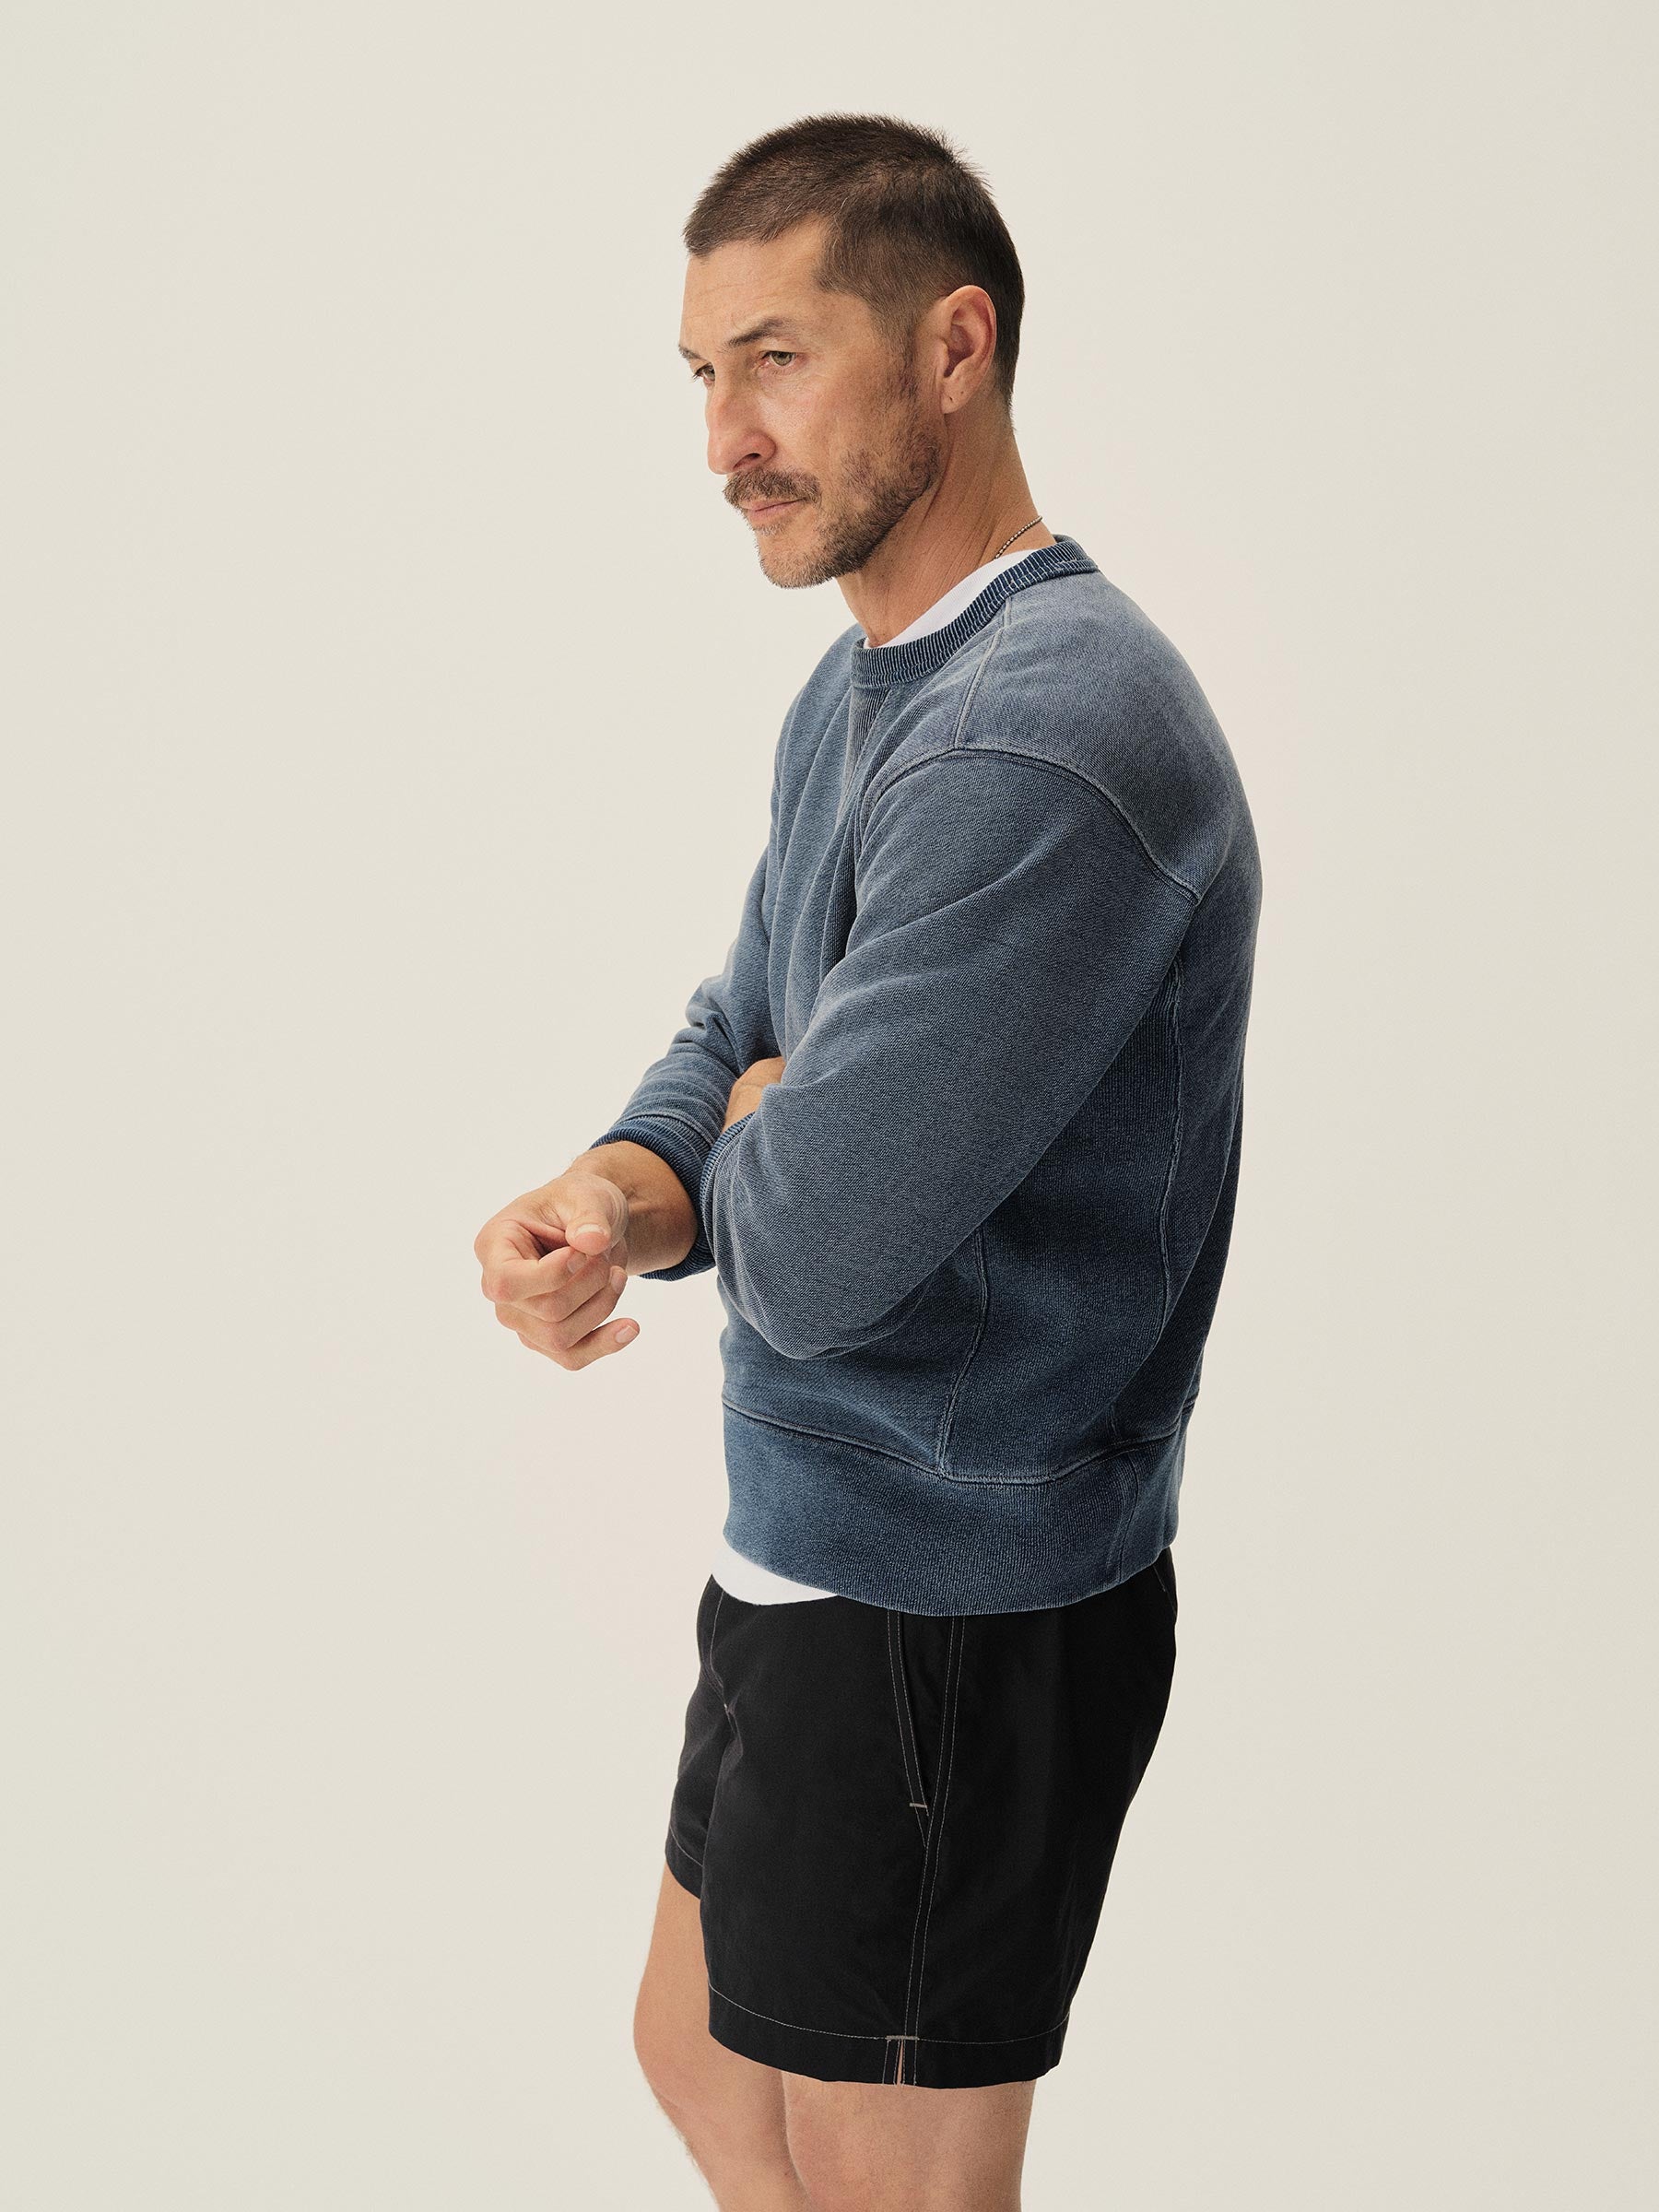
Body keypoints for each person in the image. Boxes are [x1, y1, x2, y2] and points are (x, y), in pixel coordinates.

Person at [475, 111, 1261, 2212]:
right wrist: (617, 1192)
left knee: (883, 2173)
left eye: (779, 360)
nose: (724, 437)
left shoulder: (1045, 739)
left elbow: (817, 1254)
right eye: (701, 373)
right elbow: (738, 1037)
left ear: (954, 349)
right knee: (702, 2063)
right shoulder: (870, 695)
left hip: (954, 1603)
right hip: (819, 1541)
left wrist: (766, 1146)